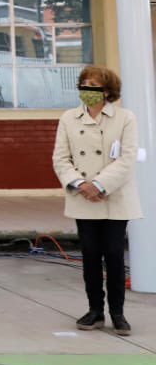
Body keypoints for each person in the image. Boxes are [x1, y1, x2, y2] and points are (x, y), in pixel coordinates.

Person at [51, 65, 141, 336]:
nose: (87, 90)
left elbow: (127, 158)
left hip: (115, 197)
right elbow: (60, 158)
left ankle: (118, 313)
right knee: (90, 255)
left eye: (94, 85)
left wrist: (100, 185)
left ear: (107, 90)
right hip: (83, 198)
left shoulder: (125, 118)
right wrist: (82, 185)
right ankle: (95, 310)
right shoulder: (69, 118)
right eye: (84, 84)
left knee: (114, 254)